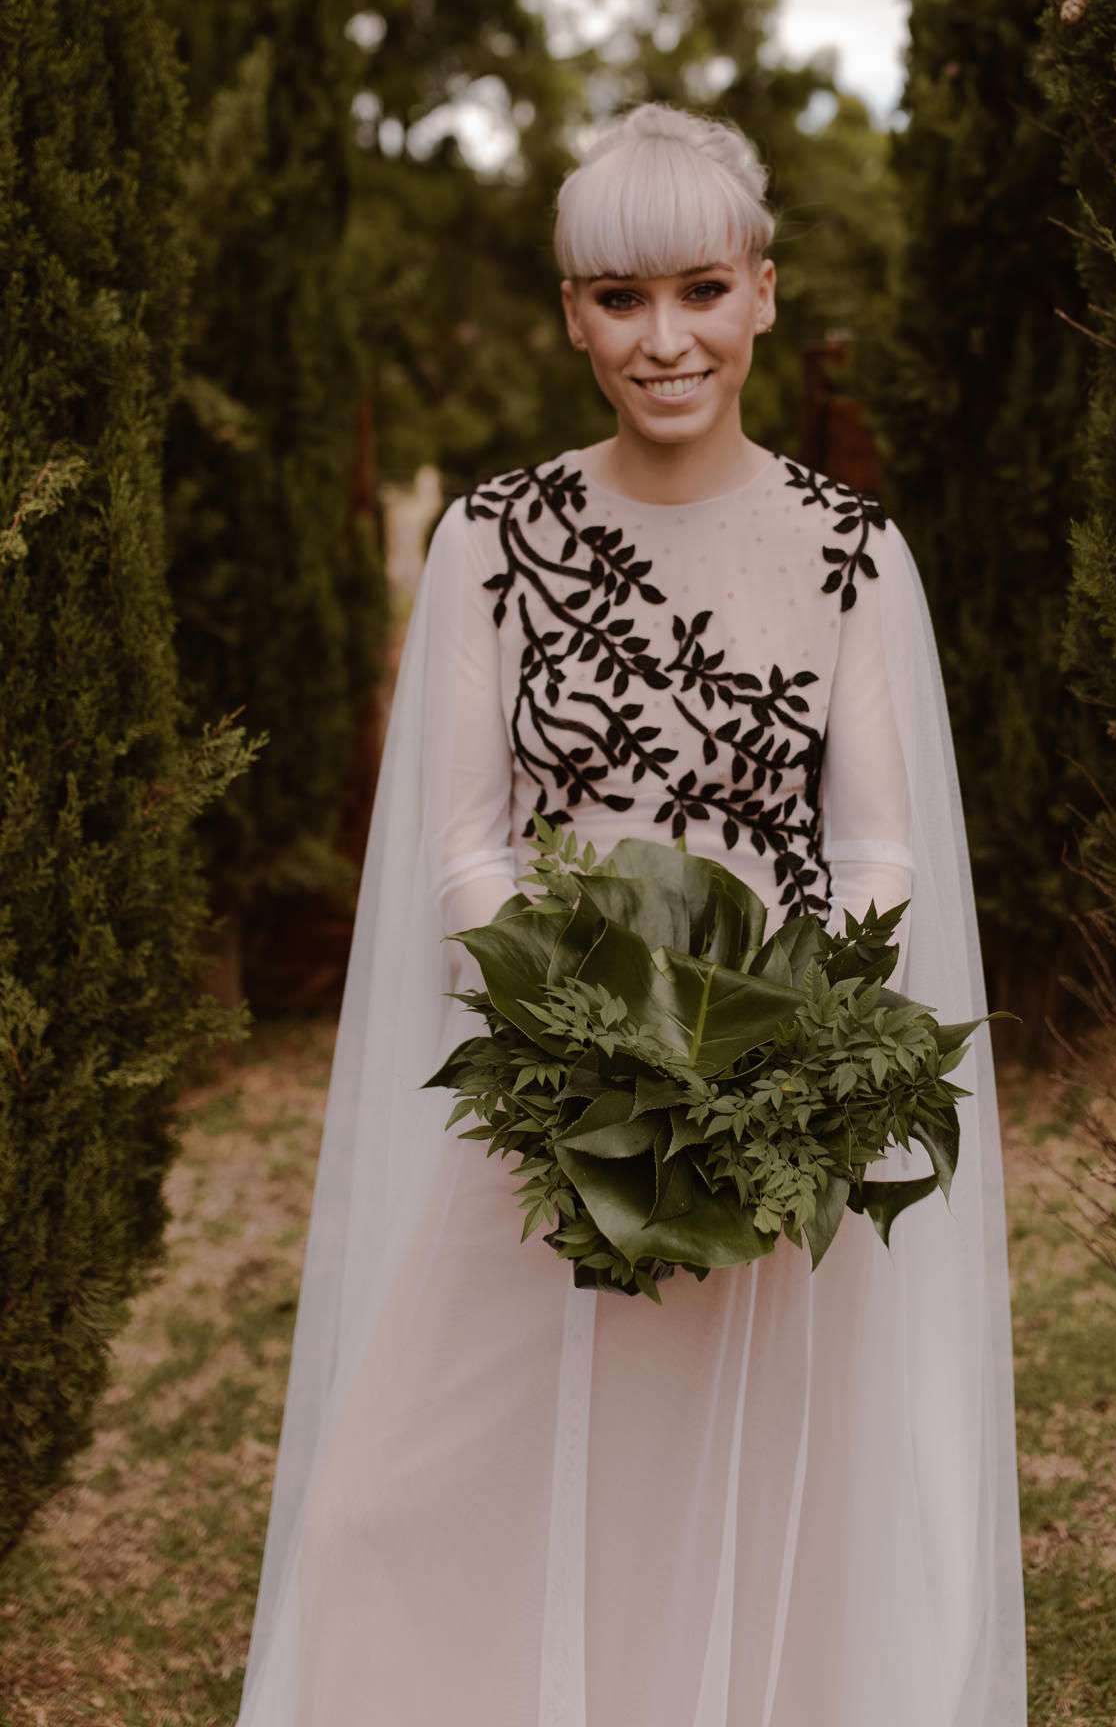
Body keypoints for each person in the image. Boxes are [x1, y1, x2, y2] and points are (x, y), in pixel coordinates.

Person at [233, 101, 1028, 1726]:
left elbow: (878, 849)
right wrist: (593, 1037)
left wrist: (767, 1054)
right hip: (554, 1098)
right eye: (619, 299)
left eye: (699, 291)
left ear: (762, 293)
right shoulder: (494, 540)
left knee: (748, 1513)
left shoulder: (851, 553)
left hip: (769, 1109)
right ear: (572, 316)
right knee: (384, 1511)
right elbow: (462, 844)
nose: (664, 340)